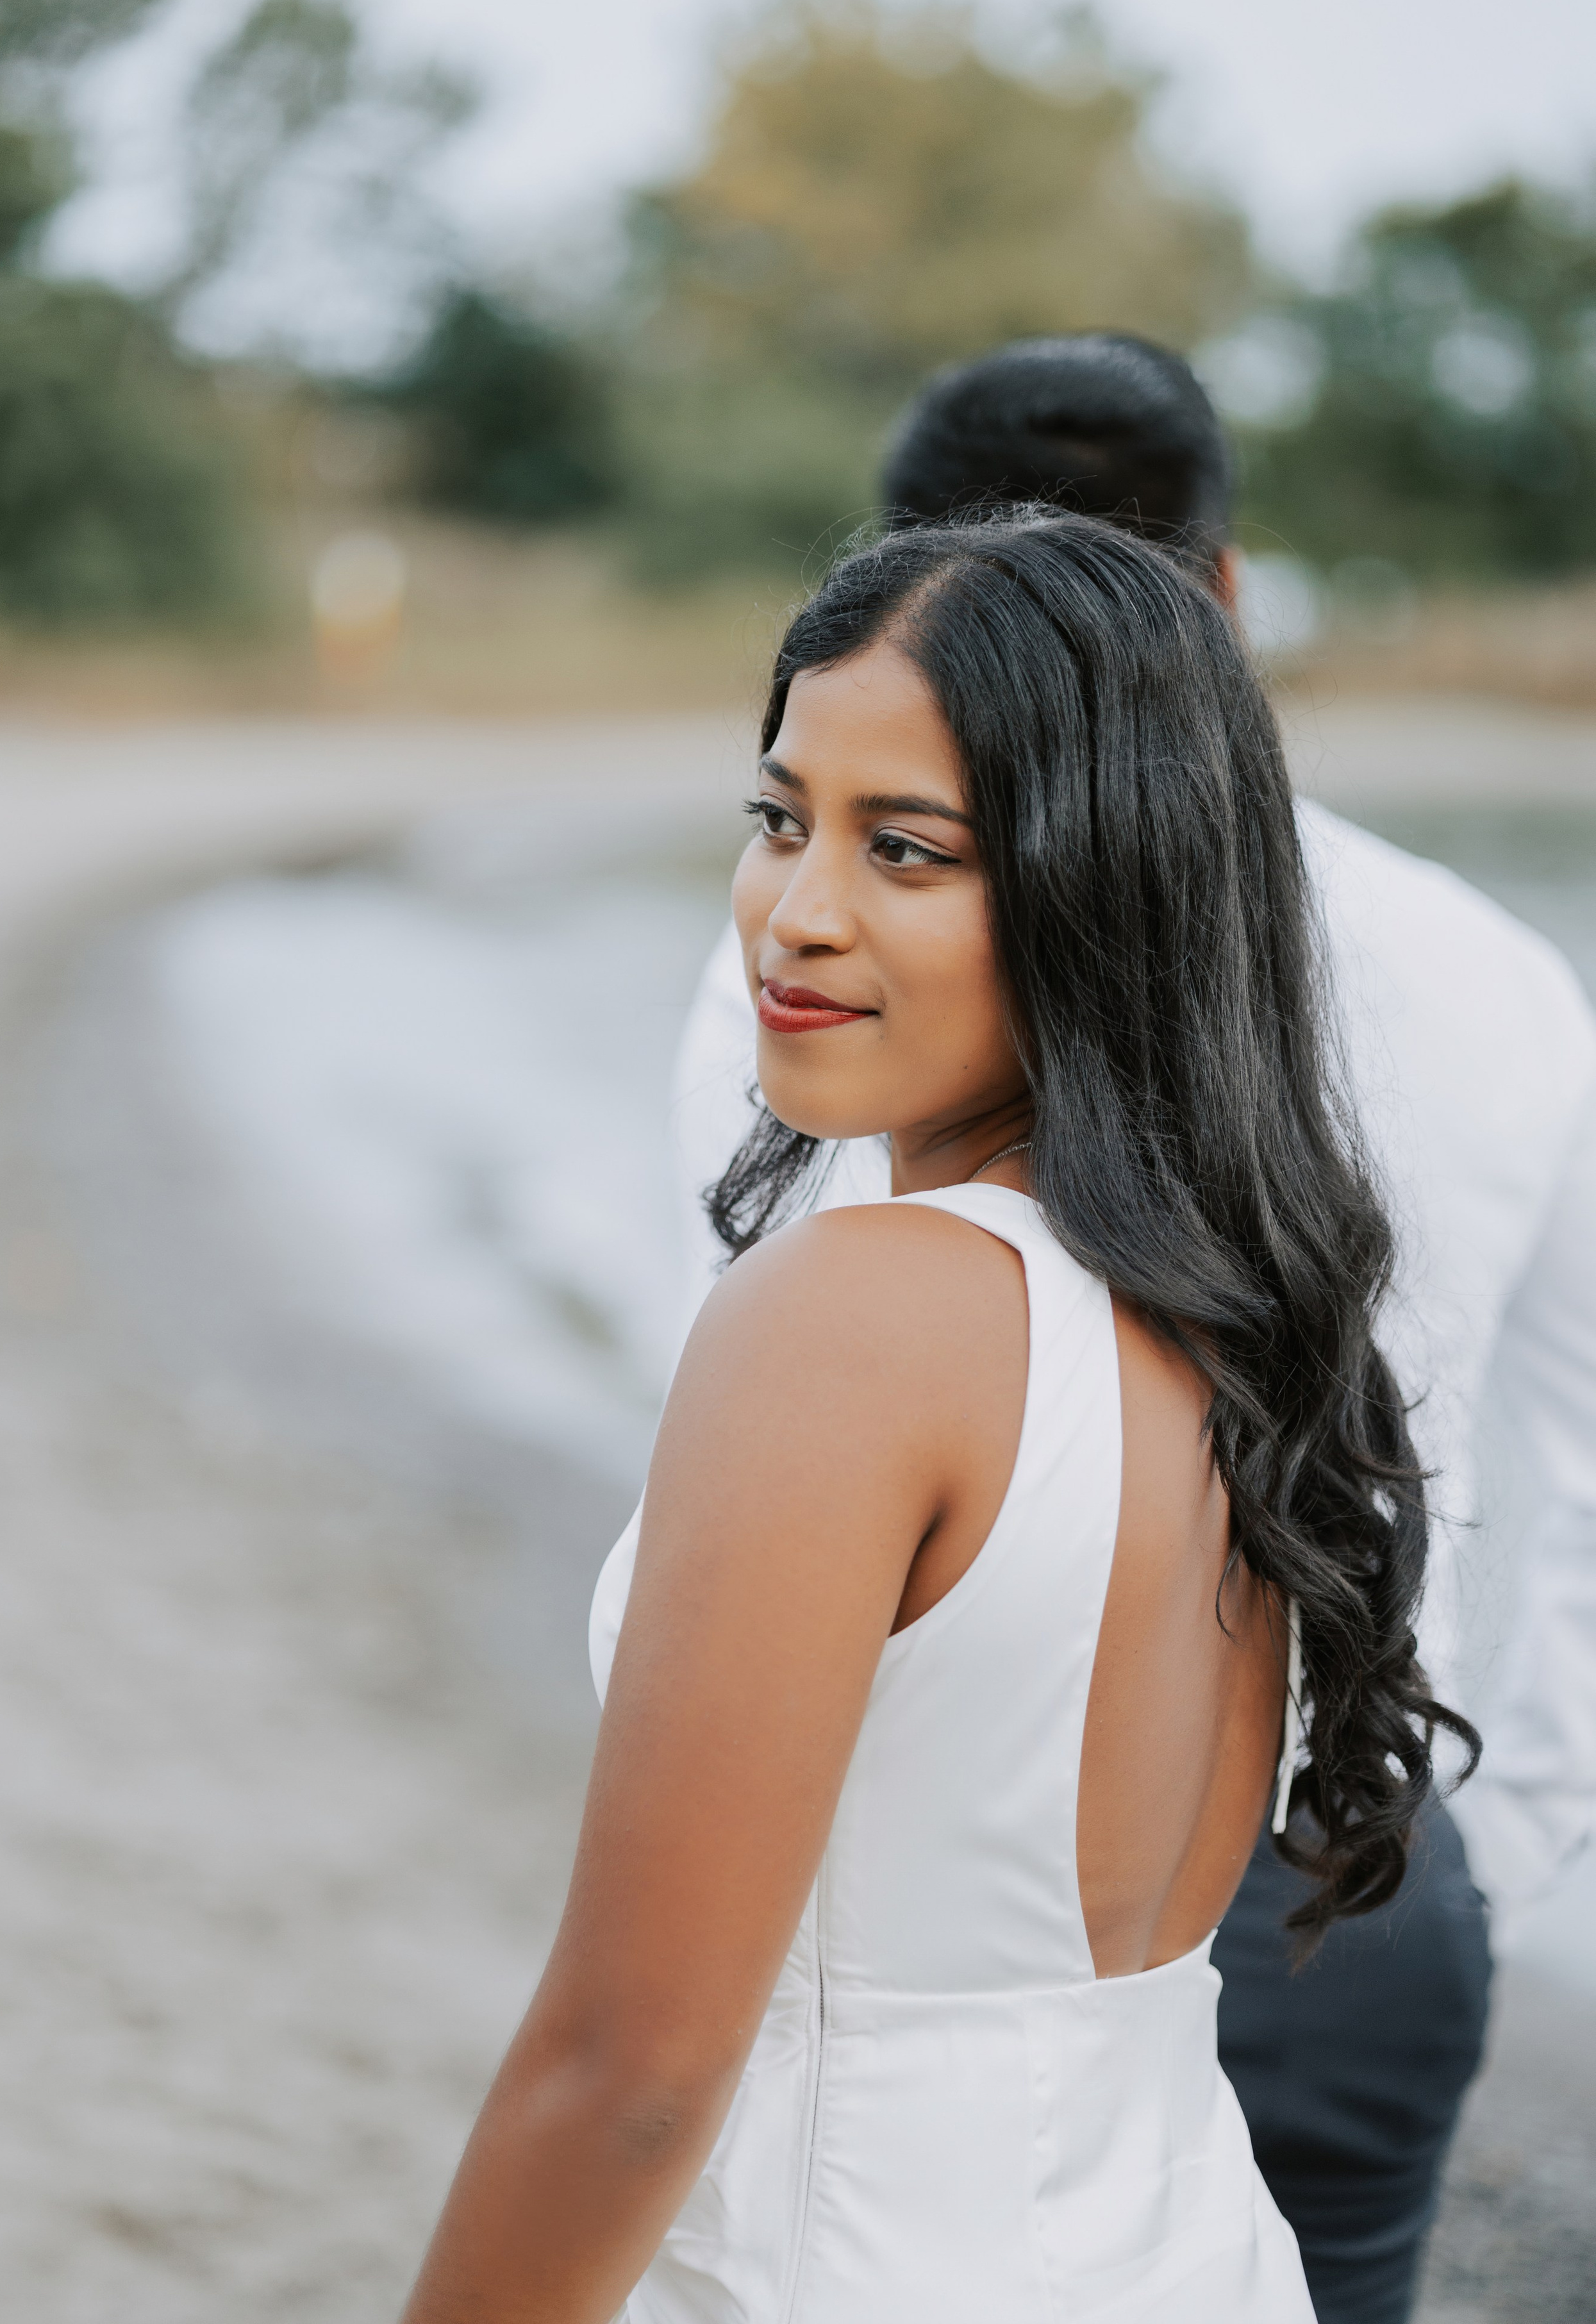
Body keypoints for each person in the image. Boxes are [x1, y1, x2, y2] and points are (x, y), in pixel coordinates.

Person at [406, 512, 1477, 2324]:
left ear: (1104, 884)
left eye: (907, 849)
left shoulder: (856, 1318)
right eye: (778, 817)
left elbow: (632, 2067)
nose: (796, 912)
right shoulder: (1233, 1314)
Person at [671, 335, 1596, 2324]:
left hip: (959, 1877)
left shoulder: (815, 973)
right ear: (1233, 597)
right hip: (1359, 1827)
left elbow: (760, 1446)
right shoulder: (1499, 979)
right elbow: (1582, 1464)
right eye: (786, 819)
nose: (806, 894)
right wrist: (1478, 1851)